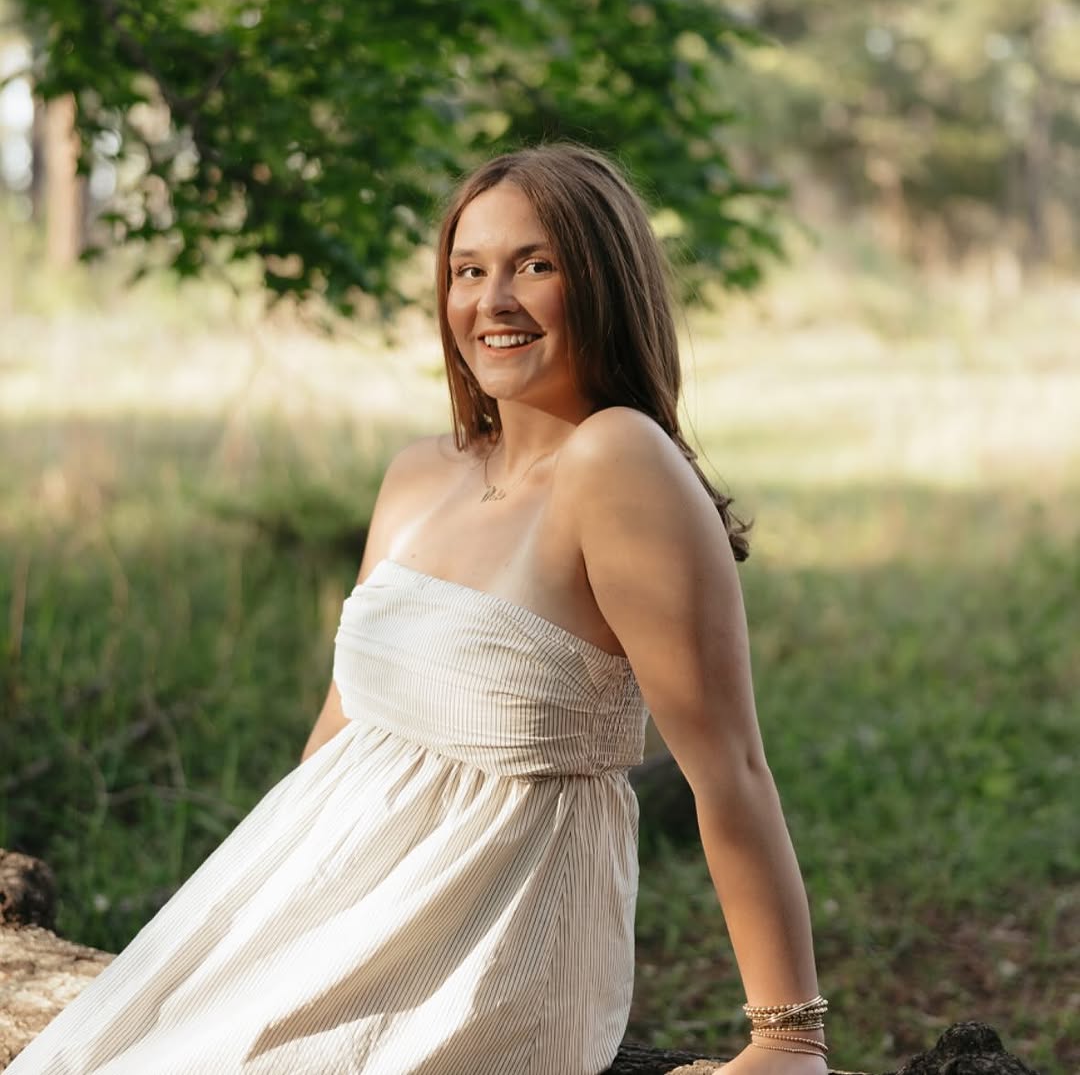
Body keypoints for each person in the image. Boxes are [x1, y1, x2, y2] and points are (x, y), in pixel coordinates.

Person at [10, 141, 828, 1074]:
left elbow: (731, 767)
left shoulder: (617, 461)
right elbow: (338, 737)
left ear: (605, 281)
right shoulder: (418, 473)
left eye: (535, 265)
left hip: (481, 959)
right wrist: (247, 936)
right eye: (468, 270)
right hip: (323, 922)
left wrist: (788, 1036)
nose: (493, 300)